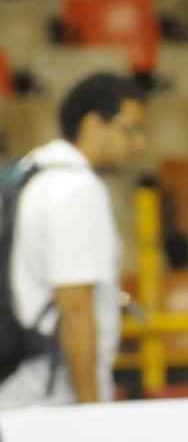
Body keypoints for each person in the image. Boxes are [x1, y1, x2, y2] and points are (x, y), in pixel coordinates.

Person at [0, 72, 146, 408]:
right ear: (93, 124)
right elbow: (75, 307)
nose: (139, 144)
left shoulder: (32, 173)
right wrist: (89, 412)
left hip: (19, 388)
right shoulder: (76, 190)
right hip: (53, 400)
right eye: (131, 129)